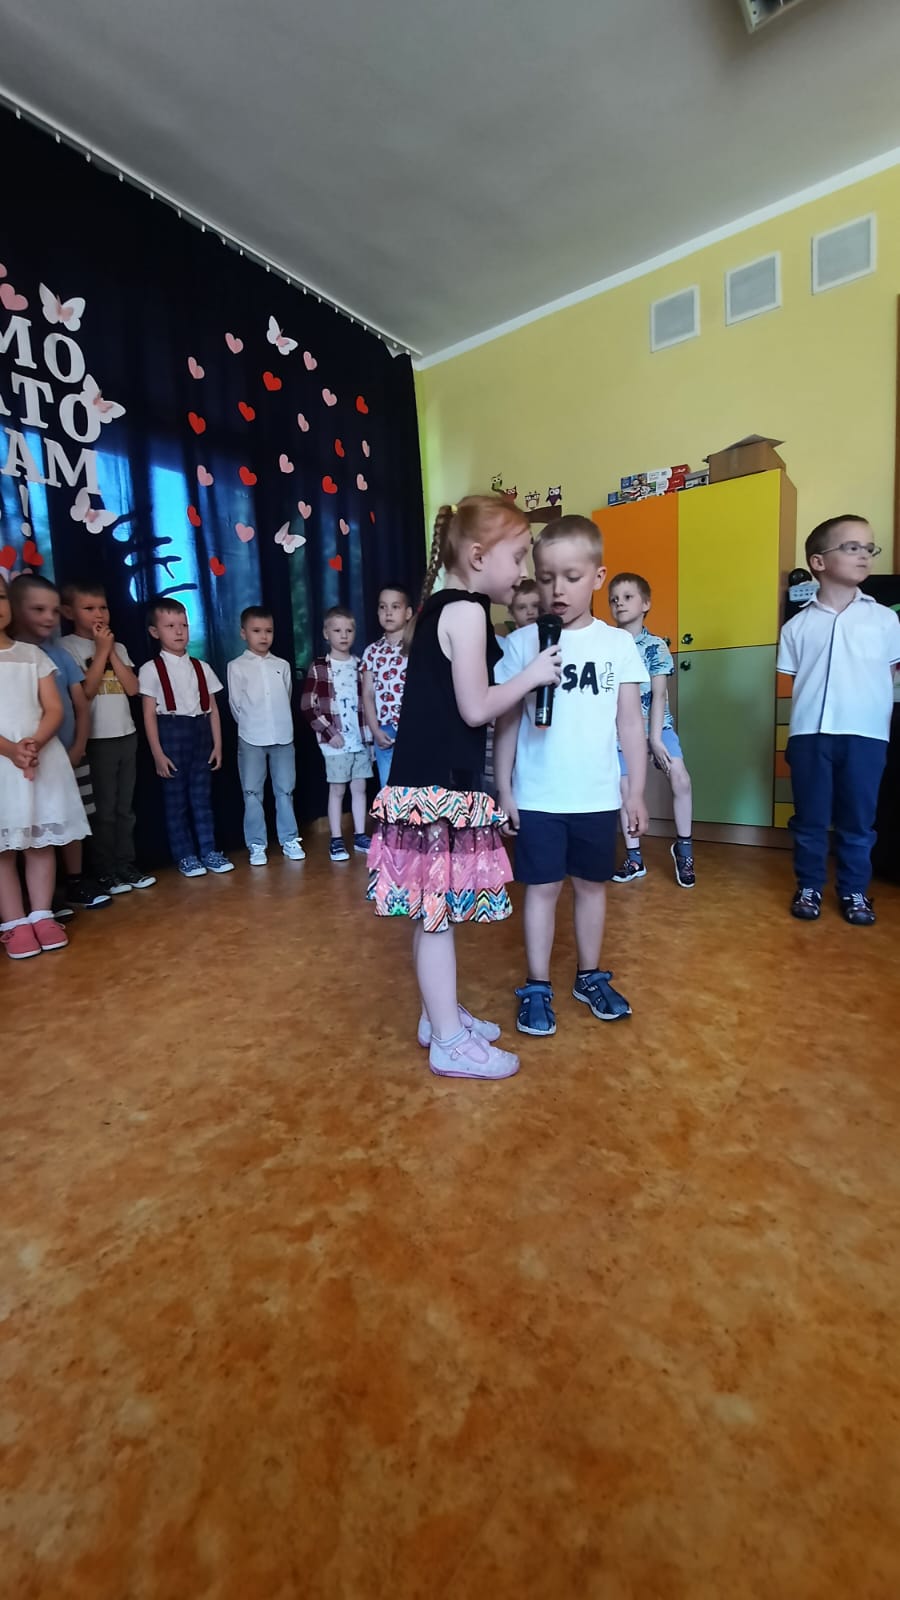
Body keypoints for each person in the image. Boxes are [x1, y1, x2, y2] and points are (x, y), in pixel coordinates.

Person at [367, 494, 562, 1081]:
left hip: (428, 785)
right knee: (437, 917)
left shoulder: (444, 608)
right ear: (478, 556)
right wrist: (532, 676)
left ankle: (439, 1016)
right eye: (518, 556)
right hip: (437, 790)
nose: (523, 571)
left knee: (434, 914)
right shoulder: (467, 613)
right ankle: (449, 1041)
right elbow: (476, 708)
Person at [494, 516, 649, 1038]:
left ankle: (589, 976)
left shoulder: (617, 645)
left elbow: (630, 723)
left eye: (572, 577)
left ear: (598, 577)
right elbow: (506, 722)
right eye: (546, 578)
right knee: (540, 891)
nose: (557, 589)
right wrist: (504, 789)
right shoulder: (521, 645)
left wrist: (635, 792)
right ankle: (537, 984)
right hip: (539, 797)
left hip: (597, 796)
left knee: (591, 887)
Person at [777, 515, 900, 925]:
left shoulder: (885, 620)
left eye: (869, 548)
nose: (864, 555)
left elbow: (889, 674)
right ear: (819, 561)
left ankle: (854, 891)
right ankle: (809, 886)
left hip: (866, 736)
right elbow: (795, 680)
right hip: (810, 736)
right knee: (810, 819)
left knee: (859, 821)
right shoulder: (797, 626)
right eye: (851, 547)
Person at [0, 572, 89, 959]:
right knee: (4, 849)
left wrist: (34, 742)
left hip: (39, 755)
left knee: (40, 840)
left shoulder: (33, 654)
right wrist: (10, 749)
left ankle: (41, 914)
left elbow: (54, 707)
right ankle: (14, 922)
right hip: (4, 763)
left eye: (0, 596)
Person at [9, 575, 110, 911]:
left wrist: (79, 746)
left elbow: (80, 705)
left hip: (65, 757)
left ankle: (76, 882)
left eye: (54, 610)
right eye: (38, 609)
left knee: (68, 817)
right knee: (27, 824)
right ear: (15, 608)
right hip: (19, 762)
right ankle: (41, 899)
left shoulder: (59, 654)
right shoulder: (13, 656)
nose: (49, 617)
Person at [60, 580, 155, 895]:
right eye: (89, 608)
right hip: (95, 740)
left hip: (126, 735)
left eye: (102, 607)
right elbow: (85, 692)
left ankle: (125, 864)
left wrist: (111, 650)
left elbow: (133, 688)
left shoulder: (120, 647)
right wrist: (101, 652)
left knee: (124, 808)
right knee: (103, 810)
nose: (98, 614)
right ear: (68, 612)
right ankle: (104, 870)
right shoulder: (67, 647)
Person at [608, 572, 695, 888]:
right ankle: (634, 858)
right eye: (614, 599)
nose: (619, 603)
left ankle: (684, 849)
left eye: (627, 597)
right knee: (625, 788)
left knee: (681, 779)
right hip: (621, 732)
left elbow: (658, 695)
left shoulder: (656, 646)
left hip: (658, 726)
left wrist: (655, 738)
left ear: (645, 604)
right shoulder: (608, 647)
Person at [138, 596, 234, 878]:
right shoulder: (150, 669)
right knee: (175, 801)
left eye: (183, 625)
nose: (179, 631)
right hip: (171, 733)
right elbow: (148, 715)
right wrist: (157, 753)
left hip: (201, 732)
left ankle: (209, 851)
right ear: (155, 632)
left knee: (202, 798)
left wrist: (218, 744)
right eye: (170, 626)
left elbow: (213, 709)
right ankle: (185, 855)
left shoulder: (202, 667)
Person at [227, 606, 304, 866]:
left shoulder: (281, 665)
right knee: (251, 792)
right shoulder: (236, 667)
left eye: (268, 631)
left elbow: (287, 695)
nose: (263, 636)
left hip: (283, 736)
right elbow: (236, 705)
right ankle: (257, 844)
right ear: (243, 633)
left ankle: (289, 839)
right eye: (256, 631)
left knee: (285, 790)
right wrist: (252, 726)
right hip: (251, 737)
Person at [300, 606, 373, 862]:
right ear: (326, 633)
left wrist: (370, 738)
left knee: (360, 788)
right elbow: (308, 705)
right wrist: (329, 732)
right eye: (337, 630)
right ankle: (336, 838)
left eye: (349, 630)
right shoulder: (320, 667)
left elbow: (369, 703)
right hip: (335, 744)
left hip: (360, 741)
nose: (343, 635)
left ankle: (360, 835)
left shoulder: (361, 666)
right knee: (337, 789)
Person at [361, 585, 413, 786]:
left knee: (416, 785)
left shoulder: (417, 647)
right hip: (385, 729)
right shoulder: (371, 651)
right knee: (388, 787)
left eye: (395, 607)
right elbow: (367, 694)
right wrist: (375, 730)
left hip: (413, 727)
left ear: (408, 613)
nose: (388, 612)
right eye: (383, 607)